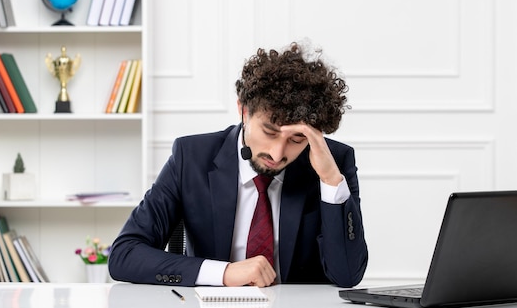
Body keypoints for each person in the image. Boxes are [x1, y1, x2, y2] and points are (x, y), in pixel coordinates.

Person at [108, 42, 368, 288]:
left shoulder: (334, 163)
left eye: (296, 139)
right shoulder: (192, 157)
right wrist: (223, 273)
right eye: (269, 131)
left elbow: (347, 275)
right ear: (243, 111)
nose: (277, 154)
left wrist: (330, 180)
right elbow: (124, 254)